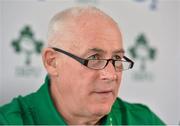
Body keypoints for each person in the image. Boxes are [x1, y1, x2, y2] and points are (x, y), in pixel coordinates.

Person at [0, 6, 165, 125]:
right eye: (94, 58)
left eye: (117, 58)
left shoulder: (143, 121)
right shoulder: (9, 121)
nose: (110, 74)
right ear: (52, 62)